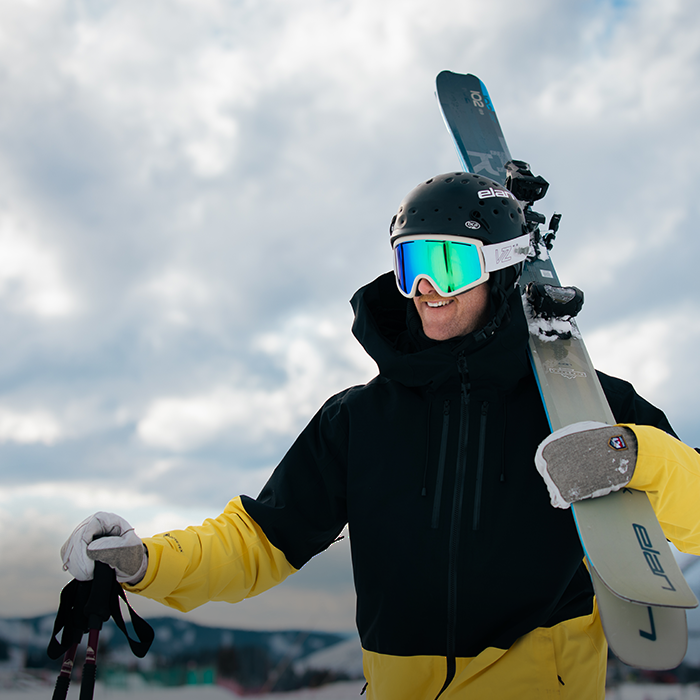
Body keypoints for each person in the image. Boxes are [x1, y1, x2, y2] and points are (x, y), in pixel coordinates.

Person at [61, 173, 700, 699]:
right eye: (410, 264)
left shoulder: (584, 403)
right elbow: (259, 541)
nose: (426, 289)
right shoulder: (359, 419)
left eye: (448, 265)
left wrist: (638, 457)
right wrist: (147, 561)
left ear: (501, 270)